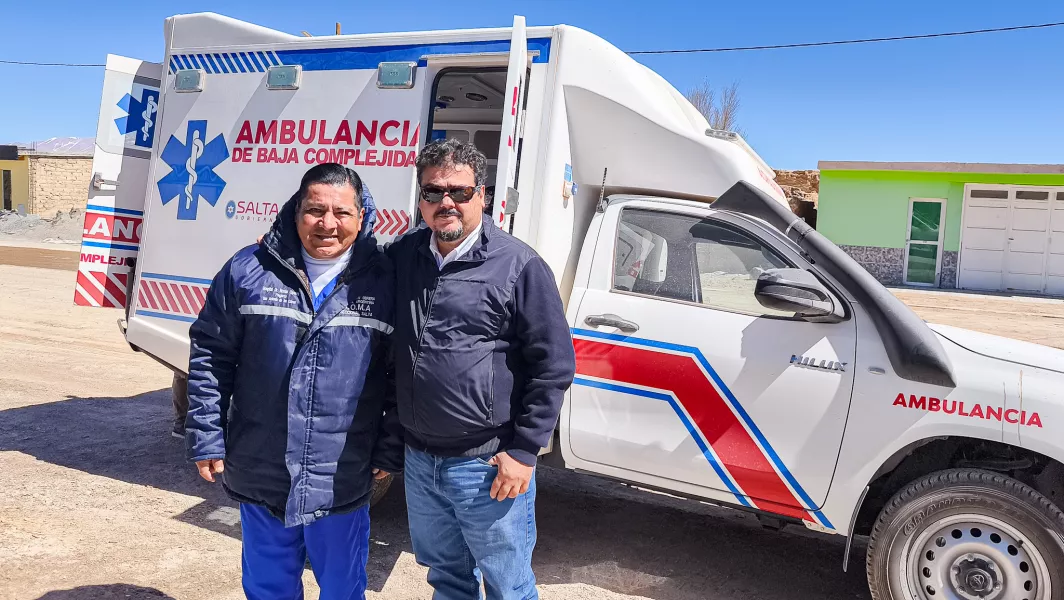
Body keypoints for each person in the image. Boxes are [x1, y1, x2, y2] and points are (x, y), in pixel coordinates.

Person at [185, 163, 402, 600]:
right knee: (269, 589)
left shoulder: (385, 281)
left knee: (342, 589)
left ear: (361, 216)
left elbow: (401, 374)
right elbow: (211, 355)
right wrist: (206, 434)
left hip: (341, 474)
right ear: (296, 210)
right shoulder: (249, 270)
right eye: (315, 211)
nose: (327, 224)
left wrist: (390, 444)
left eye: (341, 212)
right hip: (262, 468)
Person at [386, 139, 577, 599]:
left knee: (508, 587)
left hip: (487, 465)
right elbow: (340, 257)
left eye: (459, 191)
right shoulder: (403, 256)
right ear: (421, 198)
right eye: (433, 191)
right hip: (420, 461)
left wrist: (524, 452)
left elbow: (553, 366)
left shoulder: (519, 265)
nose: (446, 202)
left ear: (482, 195)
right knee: (448, 579)